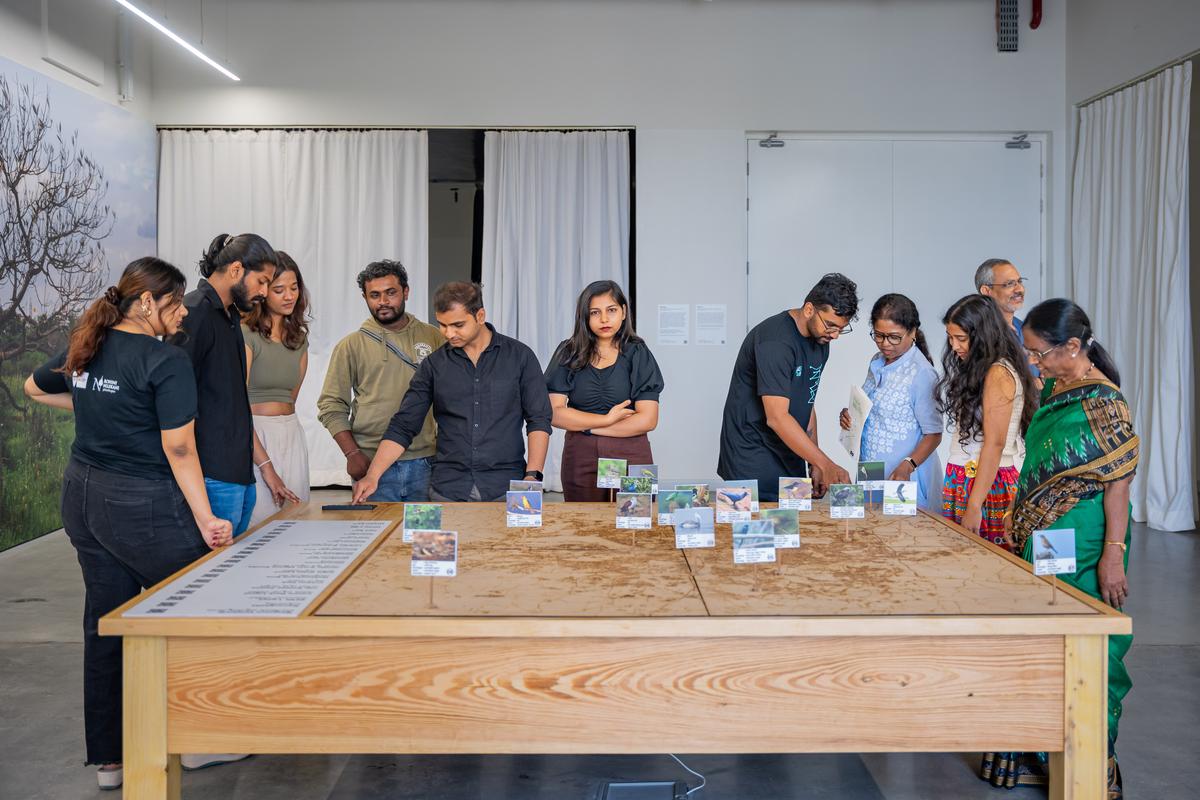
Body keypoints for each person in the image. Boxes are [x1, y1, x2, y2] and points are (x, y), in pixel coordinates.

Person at [23, 259, 233, 792]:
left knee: (107, 619)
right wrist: (207, 518)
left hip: (83, 498)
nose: (183, 312)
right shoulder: (164, 361)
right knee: (196, 608)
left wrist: (97, 408)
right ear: (147, 303)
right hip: (141, 503)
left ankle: (111, 760)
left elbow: (33, 387)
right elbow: (180, 447)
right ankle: (200, 743)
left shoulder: (88, 344)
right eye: (176, 302)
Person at [987, 299, 1138, 795]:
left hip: (1091, 537)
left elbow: (1120, 483)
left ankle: (1096, 763)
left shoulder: (1105, 401)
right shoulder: (1057, 386)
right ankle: (1047, 748)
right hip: (1049, 536)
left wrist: (1113, 554)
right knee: (1048, 632)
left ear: (1072, 347)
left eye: (1040, 354)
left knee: (1089, 643)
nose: (1035, 363)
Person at [353, 282, 552, 502]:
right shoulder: (433, 365)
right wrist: (372, 476)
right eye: (443, 325)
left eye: (458, 325)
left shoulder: (520, 357)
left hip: (508, 487)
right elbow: (404, 424)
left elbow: (539, 419)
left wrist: (533, 476)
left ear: (480, 315)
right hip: (446, 489)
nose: (449, 333)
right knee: (427, 538)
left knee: (514, 539)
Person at [169, 233, 277, 536]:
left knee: (233, 570)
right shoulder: (192, 312)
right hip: (211, 475)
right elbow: (173, 399)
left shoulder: (230, 315)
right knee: (209, 572)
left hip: (239, 472)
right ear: (236, 270)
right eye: (263, 281)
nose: (265, 292)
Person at [718, 273, 858, 501]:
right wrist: (825, 463)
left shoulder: (821, 341)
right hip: (751, 457)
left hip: (790, 453)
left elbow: (807, 401)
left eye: (841, 329)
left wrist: (815, 464)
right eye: (830, 325)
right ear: (809, 309)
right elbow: (777, 417)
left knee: (792, 531)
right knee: (756, 532)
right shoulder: (775, 341)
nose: (835, 335)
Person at [318, 260, 444, 501]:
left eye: (391, 293)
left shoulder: (434, 337)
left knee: (425, 538)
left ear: (405, 292)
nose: (383, 301)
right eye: (374, 295)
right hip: (372, 466)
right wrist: (352, 453)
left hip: (426, 463)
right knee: (376, 536)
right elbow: (331, 405)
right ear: (365, 297)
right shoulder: (350, 345)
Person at [545, 280, 664, 501]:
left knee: (635, 529)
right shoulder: (568, 352)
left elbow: (648, 420)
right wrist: (607, 419)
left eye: (611, 310)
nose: (604, 319)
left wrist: (589, 427)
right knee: (583, 528)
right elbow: (554, 412)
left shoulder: (638, 353)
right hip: (581, 457)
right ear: (584, 316)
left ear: (623, 312)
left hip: (632, 454)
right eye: (594, 312)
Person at [936, 294, 1038, 549]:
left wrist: (974, 504)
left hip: (986, 484)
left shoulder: (998, 373)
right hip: (969, 477)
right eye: (950, 338)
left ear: (983, 336)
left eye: (961, 338)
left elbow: (995, 444)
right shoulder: (980, 368)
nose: (955, 346)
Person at [838, 294, 942, 510]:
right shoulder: (876, 361)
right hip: (871, 467)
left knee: (903, 537)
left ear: (912, 332)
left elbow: (934, 434)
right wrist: (851, 416)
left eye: (894, 337)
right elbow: (872, 408)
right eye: (878, 335)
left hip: (903, 474)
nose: (885, 344)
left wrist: (908, 464)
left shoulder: (922, 373)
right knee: (871, 532)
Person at [241, 251, 310, 526]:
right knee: (258, 523)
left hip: (291, 434)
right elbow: (237, 406)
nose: (289, 296)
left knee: (295, 522)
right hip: (254, 435)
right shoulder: (246, 334)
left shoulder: (299, 339)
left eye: (294, 288)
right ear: (263, 292)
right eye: (279, 289)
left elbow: (291, 398)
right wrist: (266, 466)